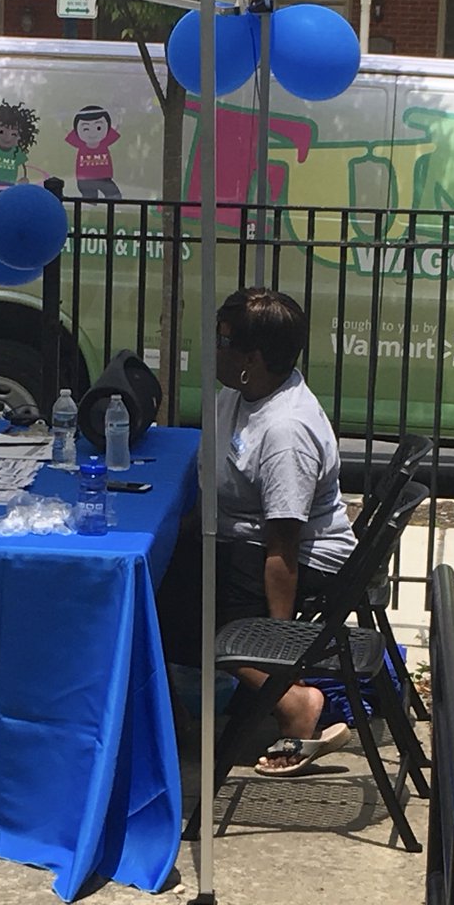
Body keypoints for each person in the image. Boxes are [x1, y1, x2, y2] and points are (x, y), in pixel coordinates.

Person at [158, 287, 358, 775]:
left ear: (253, 358)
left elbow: (282, 547)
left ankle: (294, 702)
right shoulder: (237, 395)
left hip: (295, 557)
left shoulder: (285, 433)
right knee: (153, 574)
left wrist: (277, 641)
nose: (215, 350)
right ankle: (174, 713)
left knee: (185, 606)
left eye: (224, 342)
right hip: (245, 539)